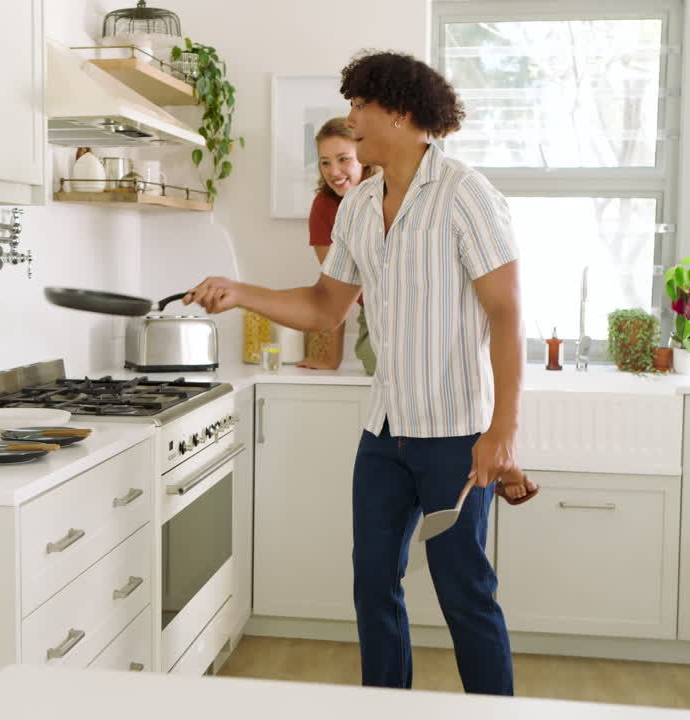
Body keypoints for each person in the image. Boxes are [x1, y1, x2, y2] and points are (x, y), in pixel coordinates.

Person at [184, 50, 539, 695]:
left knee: (465, 592)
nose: (350, 121)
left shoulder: (467, 196)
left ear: (398, 114)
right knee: (373, 585)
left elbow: (507, 316)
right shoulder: (357, 206)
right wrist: (240, 292)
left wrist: (503, 431)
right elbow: (325, 307)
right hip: (384, 435)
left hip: (456, 435)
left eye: (358, 107)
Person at [295, 118, 377, 373]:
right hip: (374, 315)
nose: (333, 172)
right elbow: (335, 287)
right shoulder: (324, 207)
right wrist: (332, 358)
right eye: (325, 162)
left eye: (344, 159)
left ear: (363, 156)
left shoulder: (389, 193)